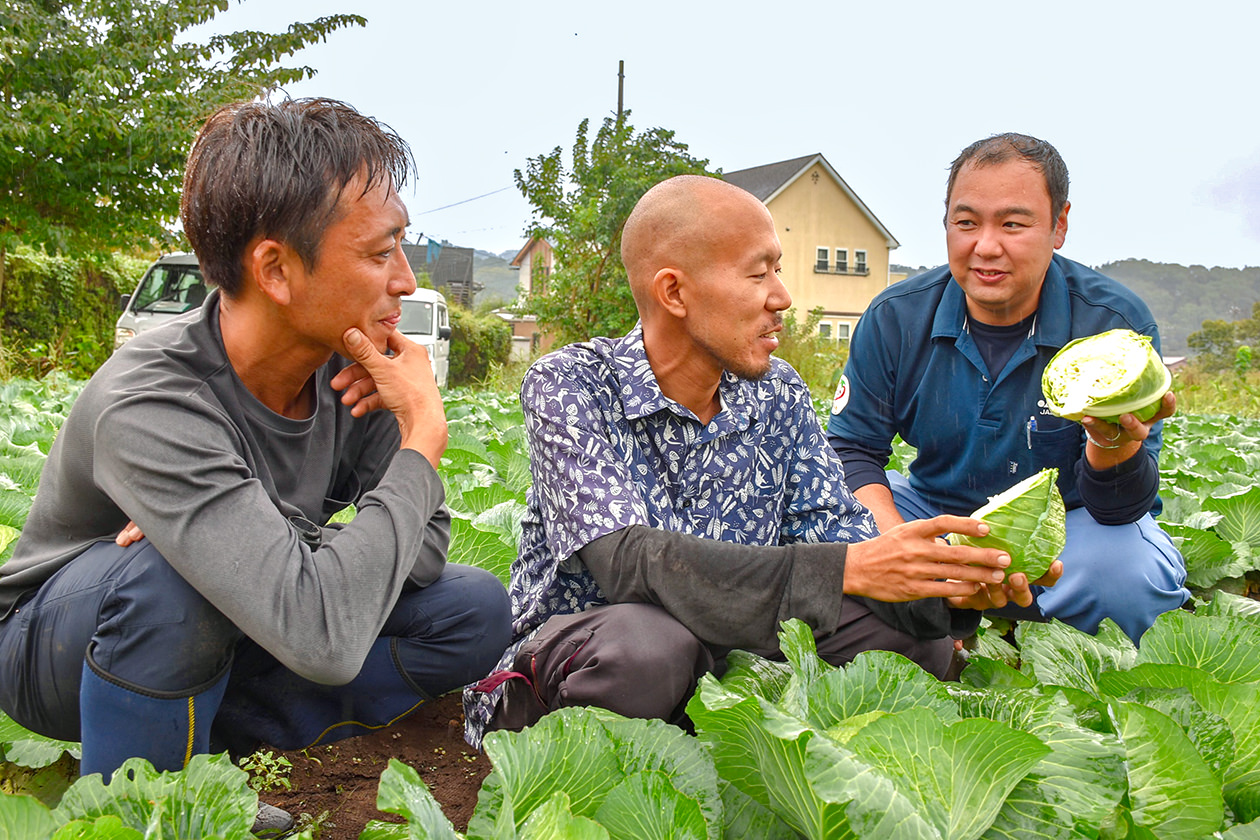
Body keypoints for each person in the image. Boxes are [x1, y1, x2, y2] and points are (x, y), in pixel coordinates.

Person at [0, 98, 511, 835]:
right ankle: (136, 811)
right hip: (55, 643)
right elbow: (324, 639)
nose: (404, 280)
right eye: (379, 253)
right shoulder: (151, 394)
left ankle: (204, 759)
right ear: (275, 269)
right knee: (175, 581)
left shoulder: (352, 376)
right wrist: (422, 435)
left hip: (237, 624)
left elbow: (423, 552)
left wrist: (277, 546)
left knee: (472, 610)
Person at [463, 174, 1054, 747]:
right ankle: (553, 754)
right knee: (650, 650)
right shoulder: (570, 384)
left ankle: (727, 746)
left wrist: (946, 586)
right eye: (758, 273)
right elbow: (626, 562)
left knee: (910, 638)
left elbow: (841, 539)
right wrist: (843, 570)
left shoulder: (780, 390)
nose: (782, 297)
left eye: (778, 269)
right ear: (674, 293)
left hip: (741, 645)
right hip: (597, 647)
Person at [827, 132, 1189, 646]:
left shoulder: (1115, 329)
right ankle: (938, 633)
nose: (986, 246)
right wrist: (895, 544)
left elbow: (1117, 507)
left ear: (1058, 225)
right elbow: (853, 448)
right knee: (829, 553)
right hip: (932, 509)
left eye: (1013, 224)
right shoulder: (895, 317)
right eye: (966, 222)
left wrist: (1114, 442)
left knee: (1127, 583)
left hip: (1069, 522)